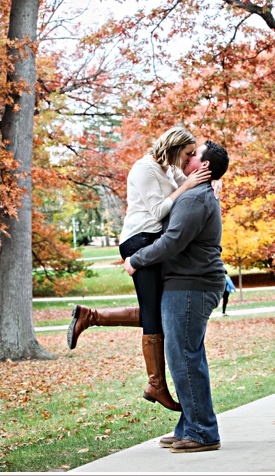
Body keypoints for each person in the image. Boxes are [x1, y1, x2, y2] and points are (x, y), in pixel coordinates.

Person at [67, 127, 214, 412]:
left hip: (152, 241)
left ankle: (90, 316)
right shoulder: (144, 169)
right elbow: (159, 210)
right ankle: (156, 383)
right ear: (173, 149)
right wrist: (187, 185)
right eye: (187, 154)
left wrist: (206, 183)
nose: (188, 159)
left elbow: (190, 185)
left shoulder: (168, 169)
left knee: (159, 312)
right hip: (139, 241)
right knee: (156, 314)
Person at [125, 140, 230, 453]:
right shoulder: (195, 193)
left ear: (204, 166)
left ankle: (203, 432)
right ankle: (190, 425)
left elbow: (172, 242)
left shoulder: (197, 198)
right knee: (185, 356)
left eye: (193, 155)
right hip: (188, 283)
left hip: (191, 285)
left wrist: (136, 259)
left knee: (184, 357)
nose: (188, 157)